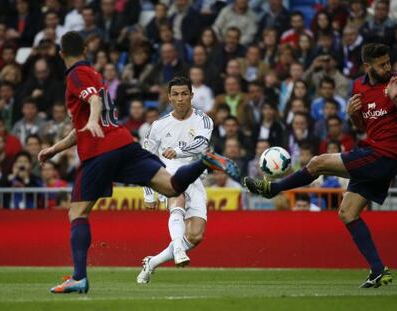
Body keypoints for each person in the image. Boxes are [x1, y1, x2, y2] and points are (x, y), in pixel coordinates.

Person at [39, 31, 240, 294]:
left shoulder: (76, 74)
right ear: (87, 49)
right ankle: (205, 161)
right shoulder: (96, 74)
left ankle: (79, 277)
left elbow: (94, 103)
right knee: (170, 188)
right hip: (124, 142)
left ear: (61, 54)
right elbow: (86, 121)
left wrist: (91, 120)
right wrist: (55, 148)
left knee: (77, 212)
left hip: (100, 151)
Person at [244, 43, 396, 288]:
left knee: (318, 162)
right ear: (368, 67)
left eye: (389, 62)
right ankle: (378, 270)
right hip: (372, 152)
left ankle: (274, 189)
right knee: (347, 212)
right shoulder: (359, 87)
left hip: (384, 155)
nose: (388, 68)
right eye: (382, 65)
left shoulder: (394, 84)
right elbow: (362, 127)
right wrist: (352, 114)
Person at [137, 80, 214, 283]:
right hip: (168, 176)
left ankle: (152, 262)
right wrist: (148, 193)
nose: (180, 99)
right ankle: (178, 249)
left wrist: (178, 151)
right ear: (169, 97)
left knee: (196, 235)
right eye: (176, 94)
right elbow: (145, 160)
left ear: (191, 95)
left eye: (184, 94)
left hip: (196, 179)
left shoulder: (203, 120)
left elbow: (201, 144)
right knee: (176, 195)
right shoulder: (158, 126)